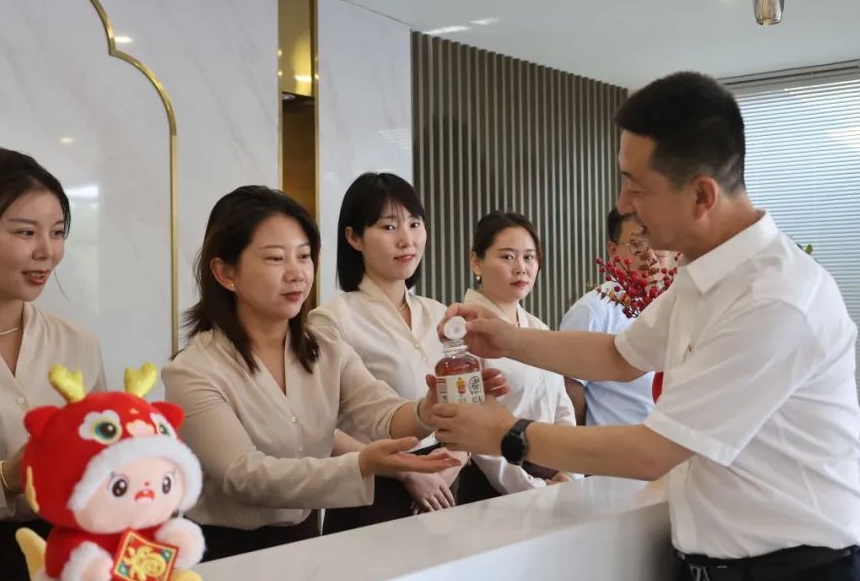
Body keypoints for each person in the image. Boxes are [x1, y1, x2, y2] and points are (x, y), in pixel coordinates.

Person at [429, 72, 860, 581]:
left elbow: (654, 450)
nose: (624, 204)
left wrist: (508, 434)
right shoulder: (702, 276)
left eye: (636, 186)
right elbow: (620, 354)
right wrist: (507, 338)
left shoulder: (774, 298)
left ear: (701, 195)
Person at [161, 186, 503, 560]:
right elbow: (244, 477)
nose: (297, 273)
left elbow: (382, 412)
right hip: (226, 552)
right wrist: (362, 463)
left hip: (308, 540)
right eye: (276, 258)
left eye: (304, 256)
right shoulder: (193, 370)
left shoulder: (324, 348)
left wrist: (430, 408)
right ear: (225, 272)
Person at [0, 146, 106, 581]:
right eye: (26, 232)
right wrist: (6, 477)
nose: (48, 251)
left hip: (70, 568)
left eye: (58, 232)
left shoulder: (77, 344)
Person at [310, 173, 468, 532]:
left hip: (445, 485)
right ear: (354, 238)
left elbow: (465, 403)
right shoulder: (332, 320)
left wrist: (457, 457)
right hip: (373, 493)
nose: (406, 239)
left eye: (414, 224)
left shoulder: (439, 314)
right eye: (388, 226)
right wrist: (406, 470)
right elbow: (319, 429)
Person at [453, 211, 578, 504]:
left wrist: (569, 473)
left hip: (554, 479)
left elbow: (562, 407)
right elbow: (473, 429)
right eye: (507, 257)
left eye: (529, 257)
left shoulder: (539, 328)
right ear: (476, 262)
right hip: (493, 487)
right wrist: (532, 488)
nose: (521, 268)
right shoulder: (461, 331)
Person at [559, 207, 657, 425]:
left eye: (657, 243)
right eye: (637, 244)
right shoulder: (592, 310)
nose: (650, 255)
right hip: (616, 442)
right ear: (613, 251)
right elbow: (569, 390)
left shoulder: (675, 303)